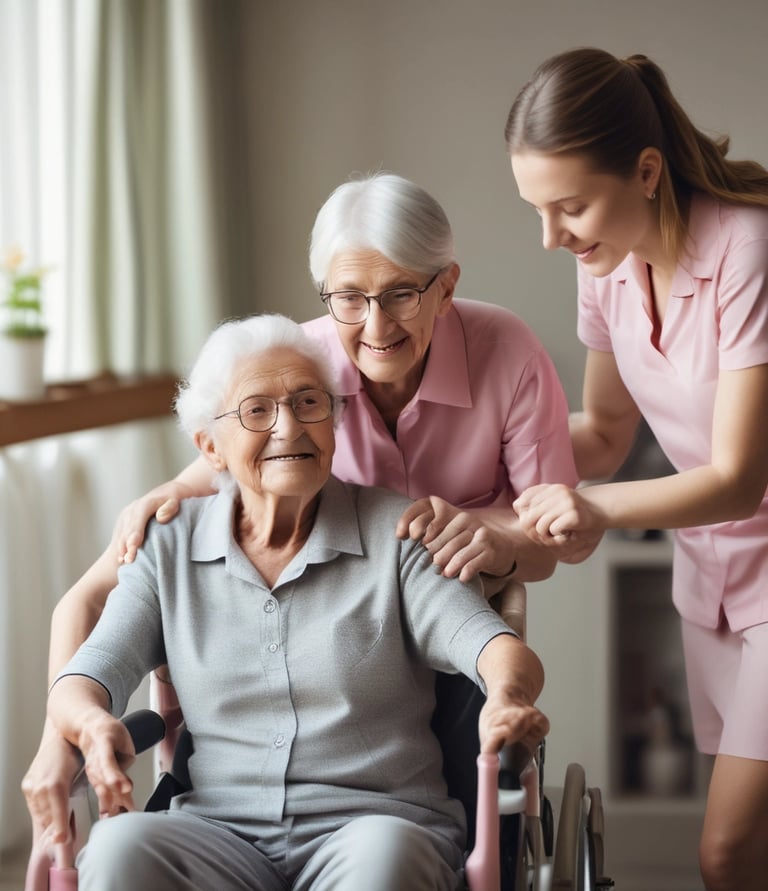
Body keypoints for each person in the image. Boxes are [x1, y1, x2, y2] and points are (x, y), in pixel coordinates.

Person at [23, 173, 577, 831]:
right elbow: (88, 597)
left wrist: (498, 538)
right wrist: (59, 741)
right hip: (312, 659)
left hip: (443, 638)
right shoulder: (295, 370)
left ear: (446, 286)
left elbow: (549, 546)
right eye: (349, 298)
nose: (375, 324)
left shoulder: (508, 355)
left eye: (401, 293)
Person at [33, 313, 549, 891]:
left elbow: (495, 646)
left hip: (373, 827)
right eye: (257, 410)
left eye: (309, 403)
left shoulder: (398, 533)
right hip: (216, 833)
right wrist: (90, 722)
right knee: (117, 849)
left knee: (384, 860)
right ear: (210, 447)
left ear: (334, 424)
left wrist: (506, 696)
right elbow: (88, 673)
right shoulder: (168, 547)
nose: (289, 427)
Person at [504, 47, 768, 891]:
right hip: (712, 578)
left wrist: (598, 510)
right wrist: (467, 462)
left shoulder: (747, 249)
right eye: (538, 210)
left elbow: (739, 478)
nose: (553, 237)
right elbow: (607, 432)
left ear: (647, 171)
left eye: (570, 206)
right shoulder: (607, 266)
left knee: (727, 852)